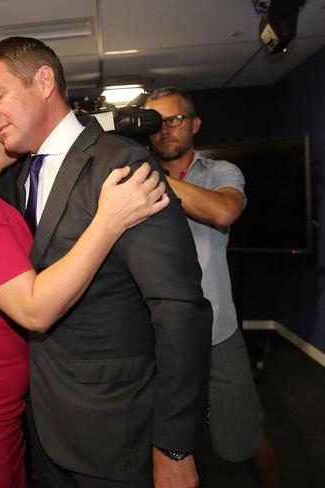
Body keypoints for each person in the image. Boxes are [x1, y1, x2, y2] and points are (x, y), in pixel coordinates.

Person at [0, 37, 213, 488]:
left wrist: (174, 443)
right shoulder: (11, 175)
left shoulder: (121, 167)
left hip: (114, 430)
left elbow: (179, 310)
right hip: (39, 425)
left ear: (44, 82)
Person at [144, 87, 279, 488]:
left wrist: (146, 175)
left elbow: (223, 210)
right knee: (160, 446)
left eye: (175, 120)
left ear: (195, 124)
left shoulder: (221, 173)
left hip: (218, 334)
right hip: (155, 339)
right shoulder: (130, 177)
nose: (165, 130)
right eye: (156, 123)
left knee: (245, 438)